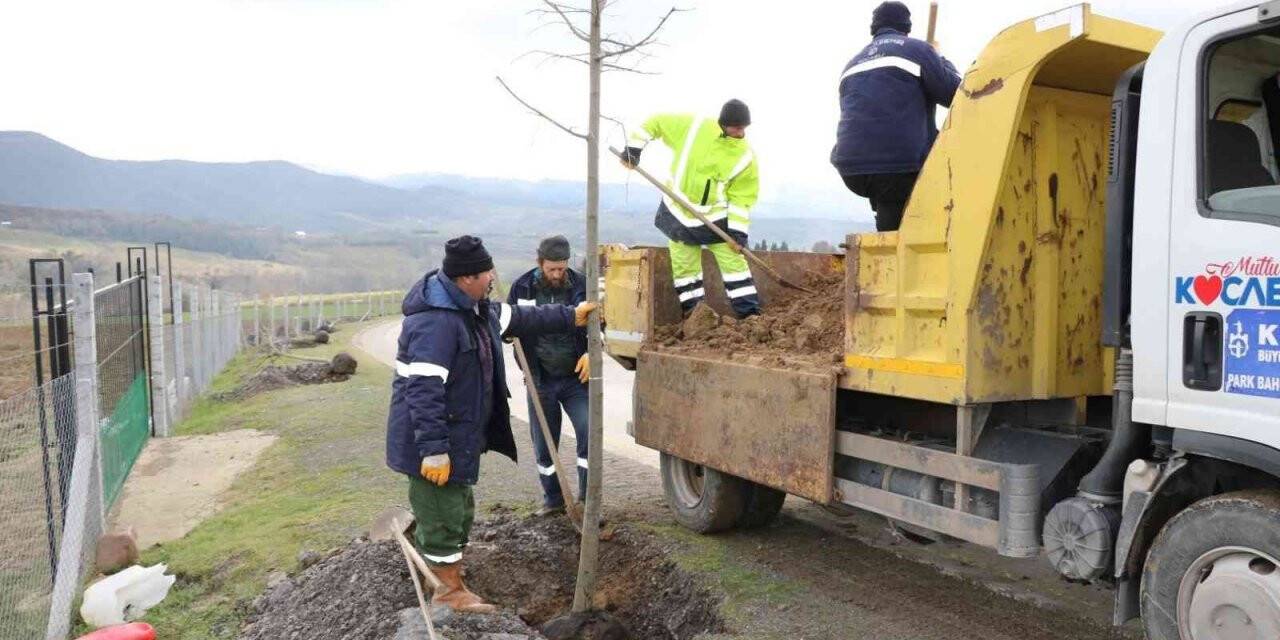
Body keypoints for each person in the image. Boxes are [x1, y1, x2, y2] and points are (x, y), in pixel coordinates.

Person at [385, 235, 596, 613]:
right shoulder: (437, 323)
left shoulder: (473, 308)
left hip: (456, 433)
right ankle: (447, 593)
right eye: (486, 273)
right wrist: (433, 451)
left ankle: (449, 573)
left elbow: (521, 317)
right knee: (442, 512)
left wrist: (571, 315)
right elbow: (423, 391)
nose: (493, 279)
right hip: (432, 441)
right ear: (467, 278)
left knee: (459, 506)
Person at [620, 99, 762, 318]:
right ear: (723, 123)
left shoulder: (745, 157)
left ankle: (750, 317)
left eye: (743, 128)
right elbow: (655, 122)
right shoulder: (694, 128)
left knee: (735, 266)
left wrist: (738, 232)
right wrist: (634, 148)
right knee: (685, 271)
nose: (740, 132)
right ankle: (696, 318)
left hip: (715, 219)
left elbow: (741, 198)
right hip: (678, 211)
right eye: (736, 128)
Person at [830, 1, 962, 232]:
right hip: (897, 165)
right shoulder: (919, 50)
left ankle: (889, 232)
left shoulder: (851, 64)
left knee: (889, 199)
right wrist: (938, 57)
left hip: (851, 168)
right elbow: (956, 93)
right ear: (906, 27)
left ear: (874, 28)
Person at [506, 235, 590, 516]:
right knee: (544, 445)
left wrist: (593, 351)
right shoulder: (521, 288)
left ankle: (587, 501)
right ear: (540, 263)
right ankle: (553, 500)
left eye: (561, 268)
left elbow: (600, 323)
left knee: (588, 433)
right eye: (552, 268)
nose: (556, 274)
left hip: (576, 380)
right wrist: (507, 334)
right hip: (539, 380)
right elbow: (508, 323)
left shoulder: (581, 285)